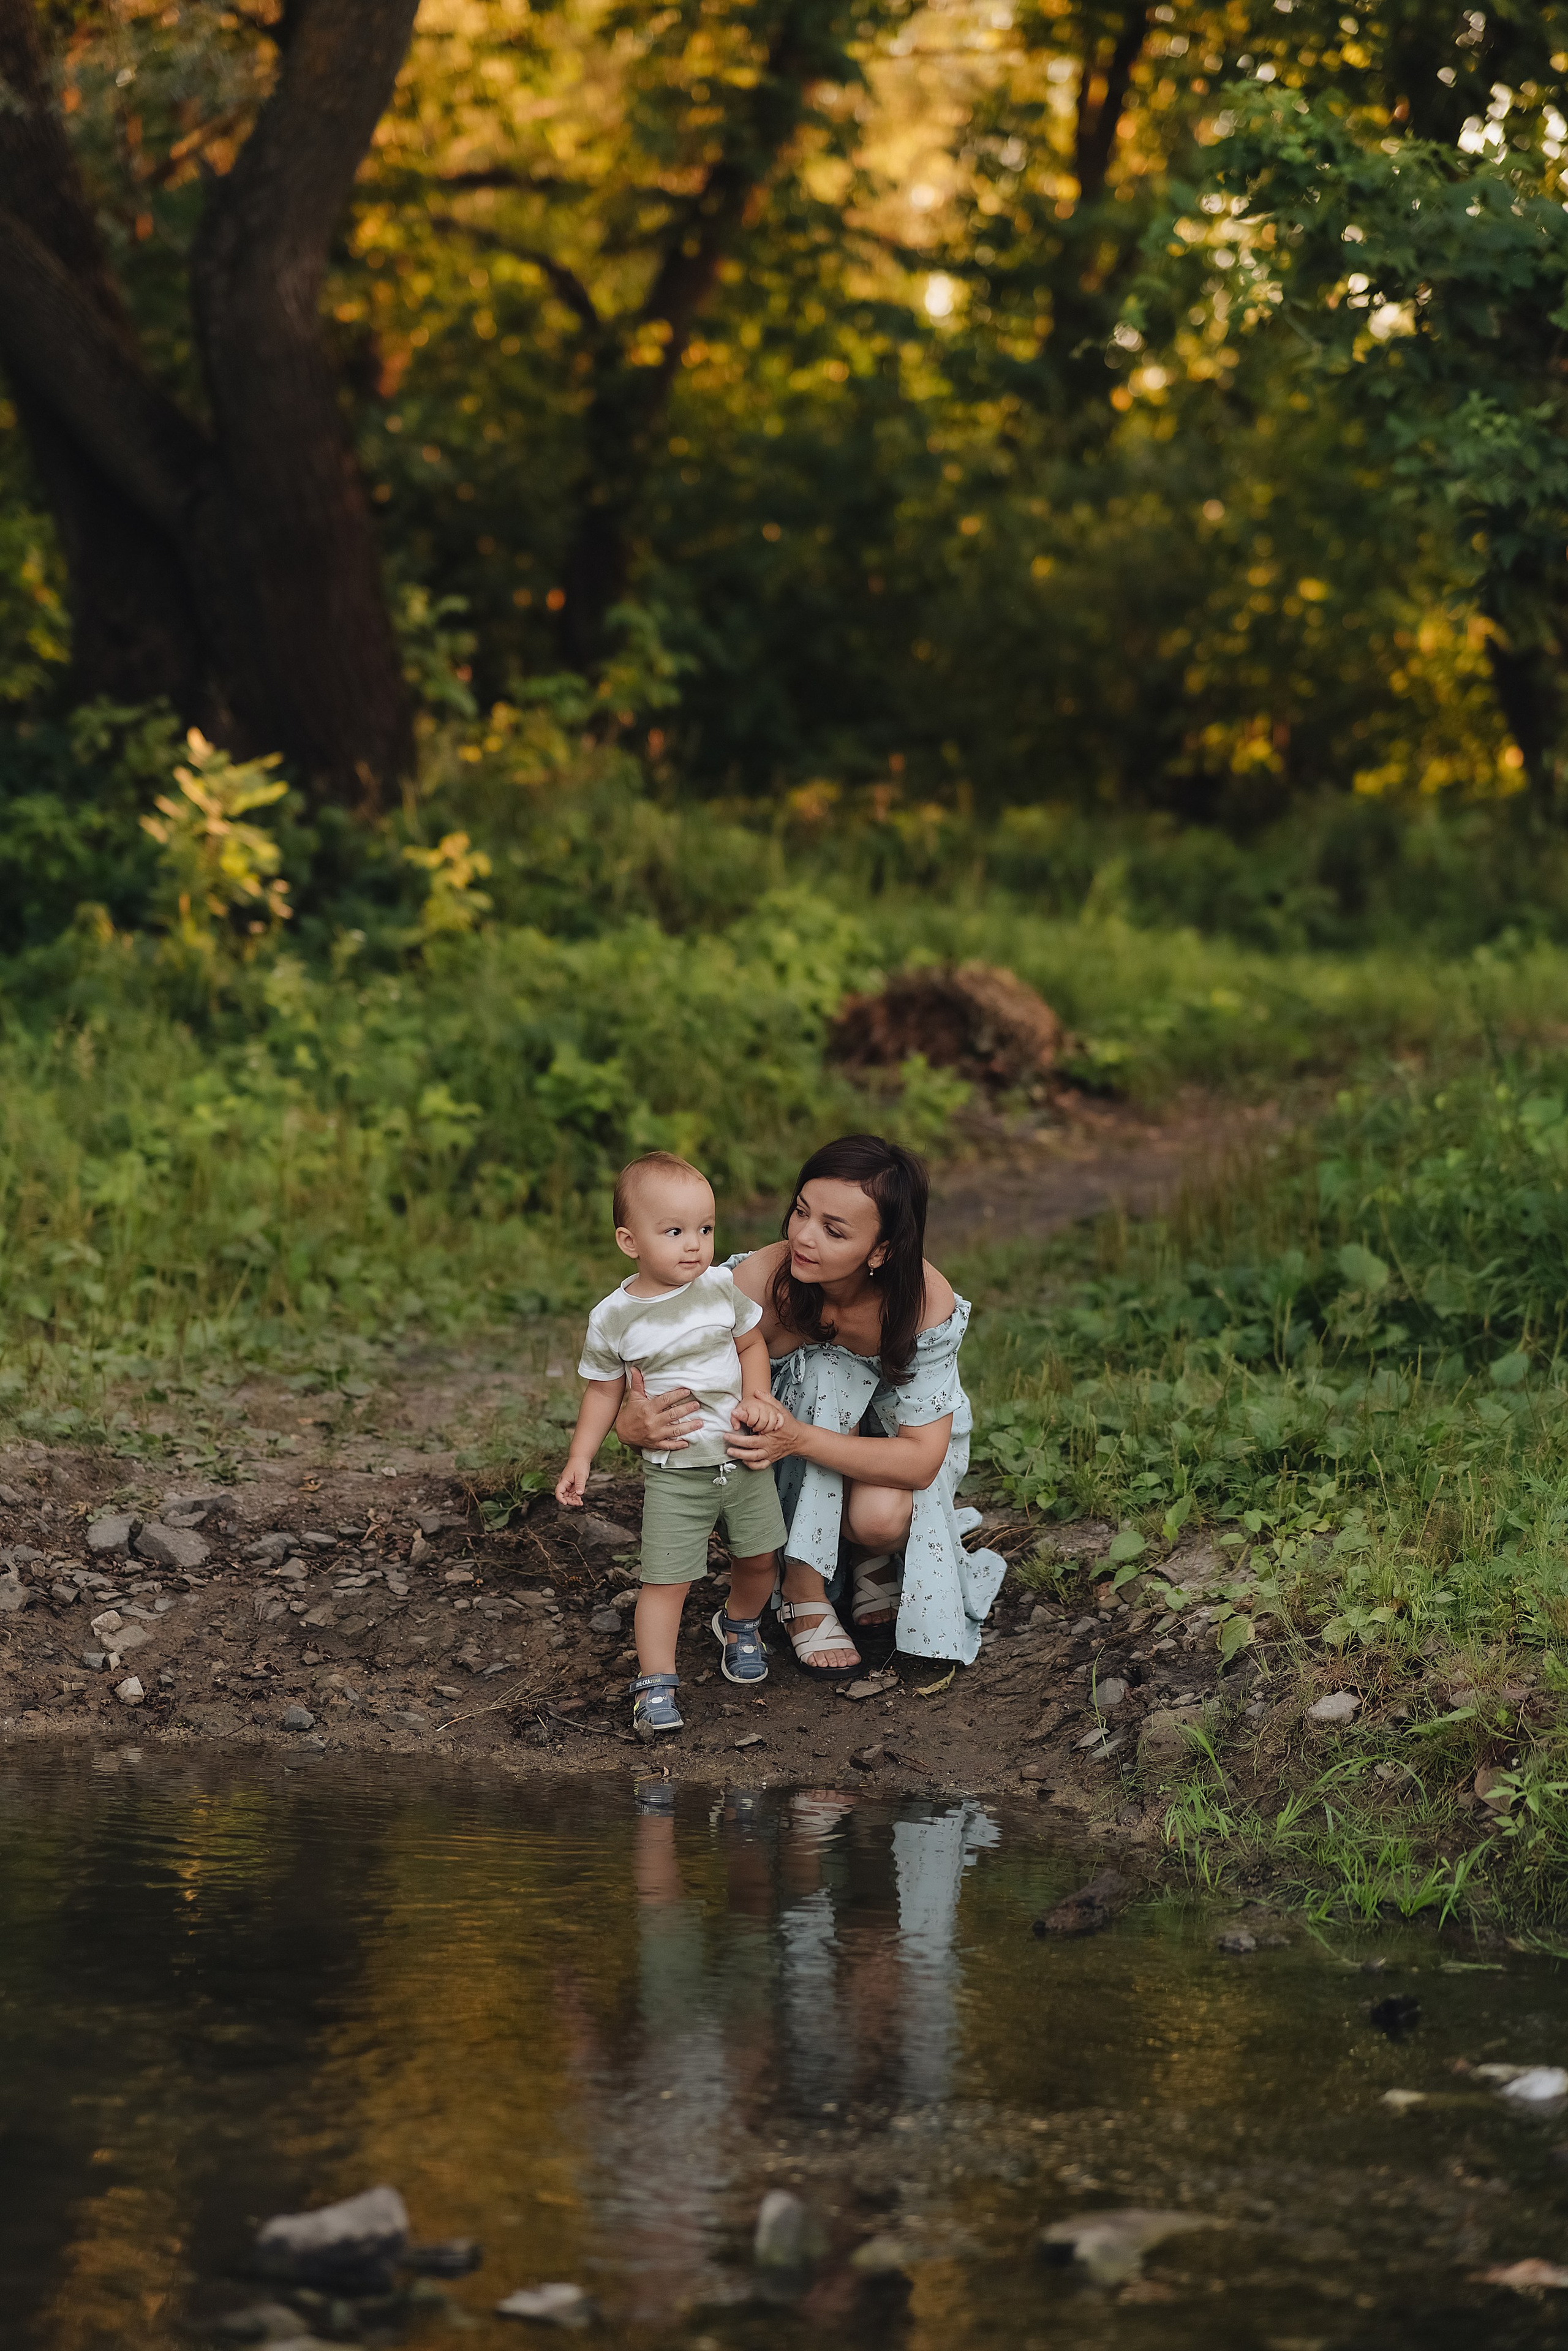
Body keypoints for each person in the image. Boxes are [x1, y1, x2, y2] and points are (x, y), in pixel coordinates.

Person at [614, 1134, 1005, 1679]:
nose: (802, 1235)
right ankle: (802, 1588)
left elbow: (920, 1460)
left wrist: (797, 1437)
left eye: (833, 1230)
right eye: (801, 1211)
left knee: (879, 1517)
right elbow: (651, 1363)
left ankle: (869, 1556)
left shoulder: (919, 1304)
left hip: (878, 1450)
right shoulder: (756, 1285)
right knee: (822, 1370)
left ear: (882, 1249)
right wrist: (630, 1424)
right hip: (774, 1463)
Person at [555, 1150, 788, 1739]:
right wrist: (581, 1455)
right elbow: (604, 1392)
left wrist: (758, 1397)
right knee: (666, 1579)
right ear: (629, 1241)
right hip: (675, 1466)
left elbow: (751, 1345)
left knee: (759, 1557)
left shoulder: (721, 1289)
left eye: (706, 1229)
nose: (695, 1245)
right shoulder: (614, 1316)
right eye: (675, 1232)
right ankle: (655, 1684)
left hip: (740, 1452)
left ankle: (739, 1624)